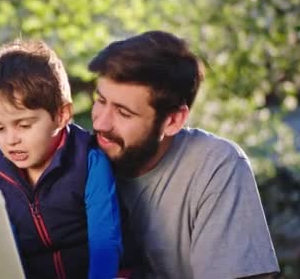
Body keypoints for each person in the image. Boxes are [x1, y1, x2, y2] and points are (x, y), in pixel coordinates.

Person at [88, 30, 280, 278]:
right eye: (100, 100)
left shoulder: (215, 165)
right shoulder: (74, 159)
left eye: (123, 113)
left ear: (173, 120)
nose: (101, 123)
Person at [0, 39, 122, 279]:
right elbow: (7, 246)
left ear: (62, 114)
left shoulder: (88, 160)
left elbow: (105, 242)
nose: (11, 140)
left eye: (23, 125)